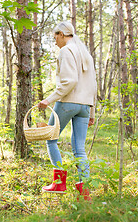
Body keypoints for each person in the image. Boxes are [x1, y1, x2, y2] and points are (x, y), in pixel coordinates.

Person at [37, 21, 97, 201]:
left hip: (68, 102)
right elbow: (93, 85)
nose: (55, 41)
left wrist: (49, 100)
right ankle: (84, 191)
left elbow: (69, 82)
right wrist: (91, 112)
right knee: (80, 149)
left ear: (62, 34)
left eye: (55, 37)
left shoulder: (66, 51)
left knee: (50, 139)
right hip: (85, 106)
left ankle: (59, 182)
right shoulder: (85, 53)